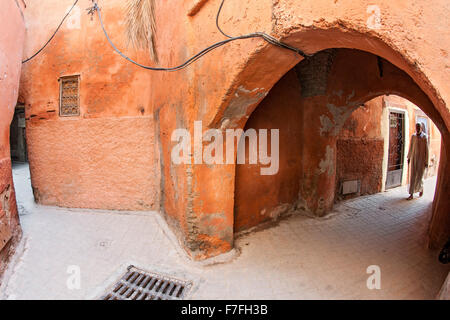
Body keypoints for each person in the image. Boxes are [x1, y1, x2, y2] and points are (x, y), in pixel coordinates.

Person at [407, 123, 429, 200]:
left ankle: (421, 188)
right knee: (413, 175)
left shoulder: (425, 137)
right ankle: (411, 194)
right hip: (414, 158)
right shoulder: (413, 136)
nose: (417, 128)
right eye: (416, 127)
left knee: (420, 176)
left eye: (419, 127)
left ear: (421, 128)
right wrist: (409, 157)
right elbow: (411, 147)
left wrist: (426, 161)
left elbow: (427, 150)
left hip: (421, 159)